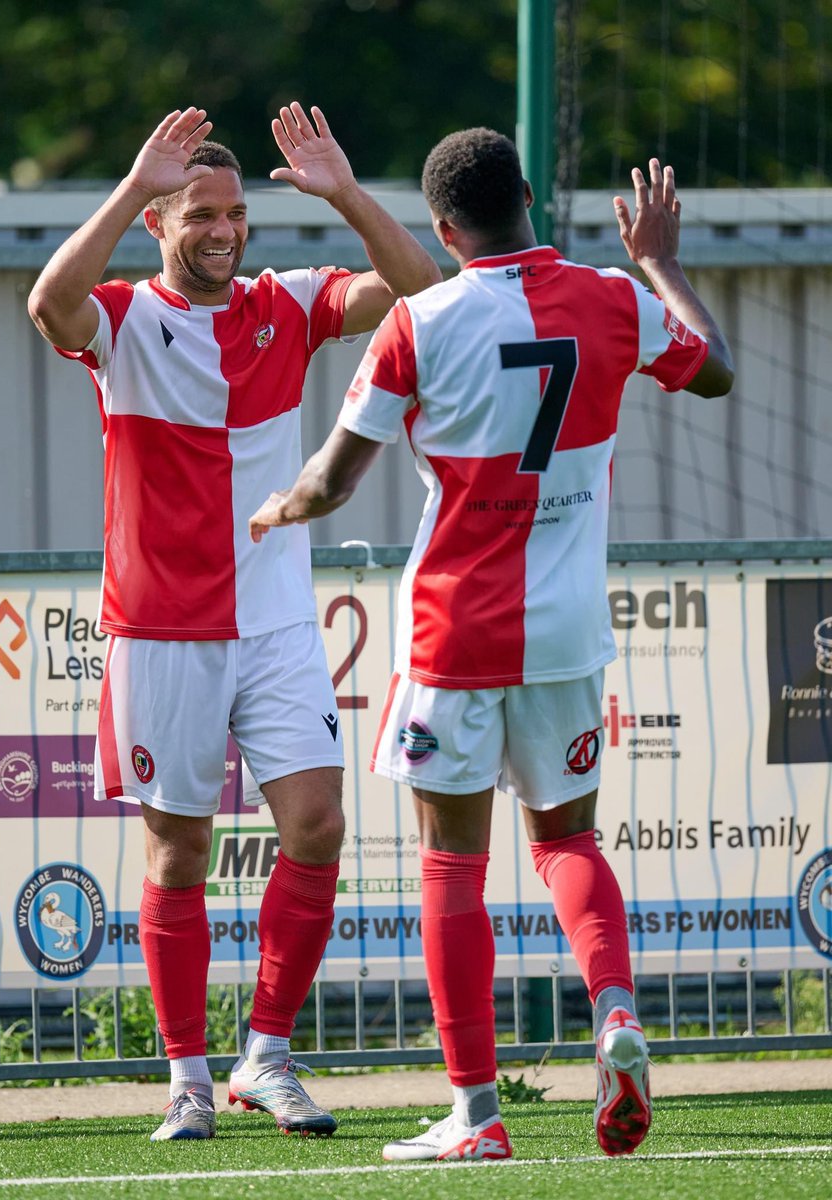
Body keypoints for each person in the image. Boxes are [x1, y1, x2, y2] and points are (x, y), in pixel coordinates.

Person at [249, 128, 734, 1162]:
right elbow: (717, 372)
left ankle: (476, 1113)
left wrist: (287, 504)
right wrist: (659, 259)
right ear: (527, 196)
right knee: (567, 843)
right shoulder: (615, 298)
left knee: (451, 868)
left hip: (454, 634)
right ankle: (613, 1013)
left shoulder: (419, 323)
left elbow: (334, 477)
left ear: (442, 228)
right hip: (565, 633)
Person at [28, 103, 440, 1143]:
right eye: (203, 215)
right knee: (179, 855)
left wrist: (345, 193)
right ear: (163, 224)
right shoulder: (121, 319)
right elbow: (48, 304)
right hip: (161, 630)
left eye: (238, 216)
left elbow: (423, 292)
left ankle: (267, 1053)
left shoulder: (284, 305)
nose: (226, 231)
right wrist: (130, 186)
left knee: (319, 825)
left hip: (276, 628)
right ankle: (188, 1081)